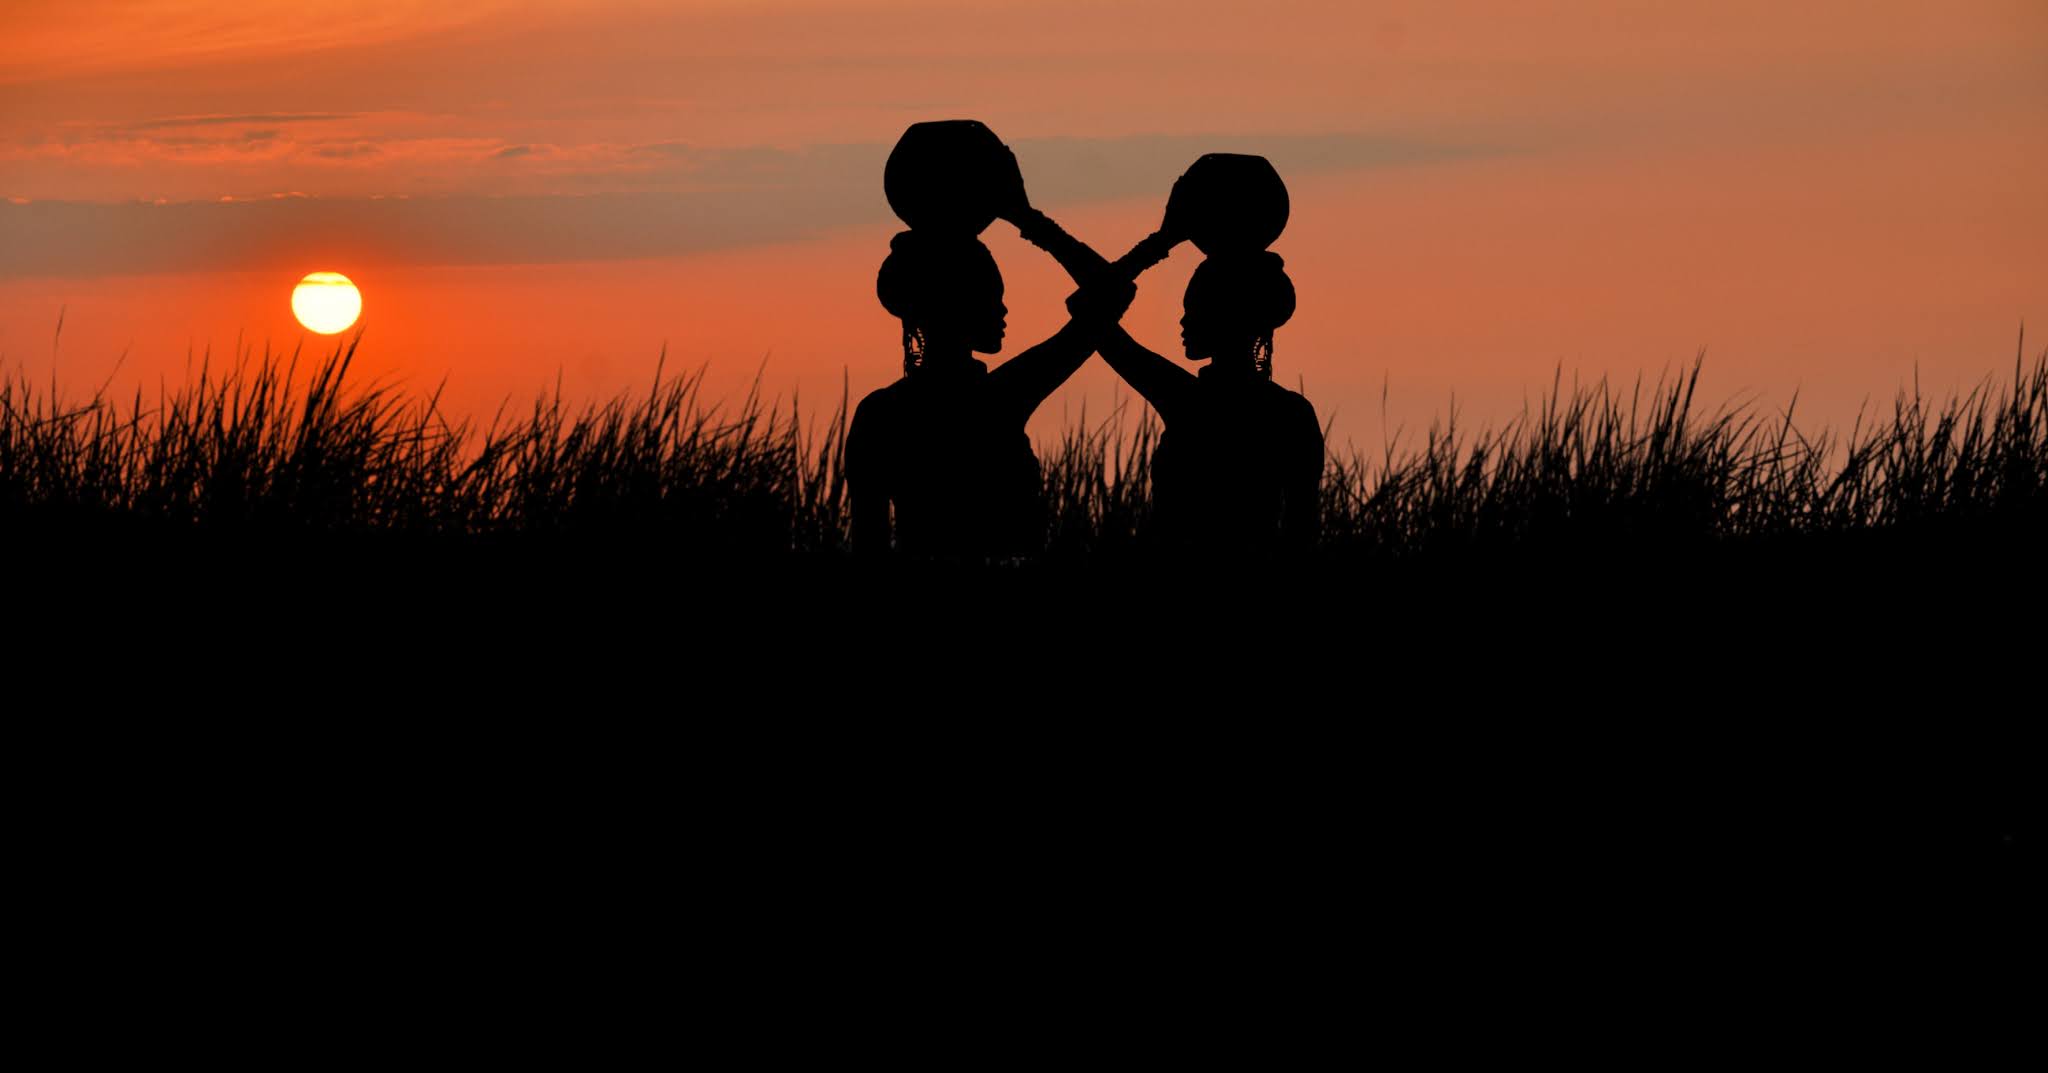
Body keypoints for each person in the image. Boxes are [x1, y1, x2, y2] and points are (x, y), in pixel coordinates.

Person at [847, 227, 1135, 557]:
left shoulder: (879, 412)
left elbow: (868, 547)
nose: (1003, 310)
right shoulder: (1002, 396)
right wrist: (1028, 220)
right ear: (955, 305)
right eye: (990, 297)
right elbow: (1112, 295)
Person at [1081, 250, 1323, 554]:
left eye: (1195, 309)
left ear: (1228, 316)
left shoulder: (1186, 399)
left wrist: (1161, 242)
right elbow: (1302, 529)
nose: (1183, 321)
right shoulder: (1293, 413)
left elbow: (1092, 317)